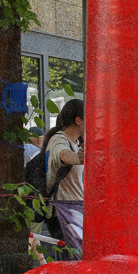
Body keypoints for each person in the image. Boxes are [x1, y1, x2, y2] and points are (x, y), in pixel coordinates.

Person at [41, 99, 85, 253]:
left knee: (78, 258)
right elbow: (64, 155)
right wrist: (79, 158)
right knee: (73, 259)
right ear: (78, 120)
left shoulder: (75, 143)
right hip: (63, 210)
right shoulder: (59, 139)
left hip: (75, 209)